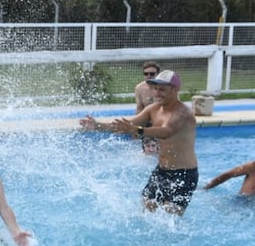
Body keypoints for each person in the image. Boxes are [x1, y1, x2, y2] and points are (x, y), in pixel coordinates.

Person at [79, 69, 198, 215]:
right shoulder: (153, 109)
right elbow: (127, 124)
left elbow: (166, 131)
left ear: (174, 89)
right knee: (147, 206)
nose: (157, 93)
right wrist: (98, 125)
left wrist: (138, 130)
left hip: (184, 174)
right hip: (162, 171)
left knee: (170, 214)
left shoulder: (182, 113)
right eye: (155, 89)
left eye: (162, 89)